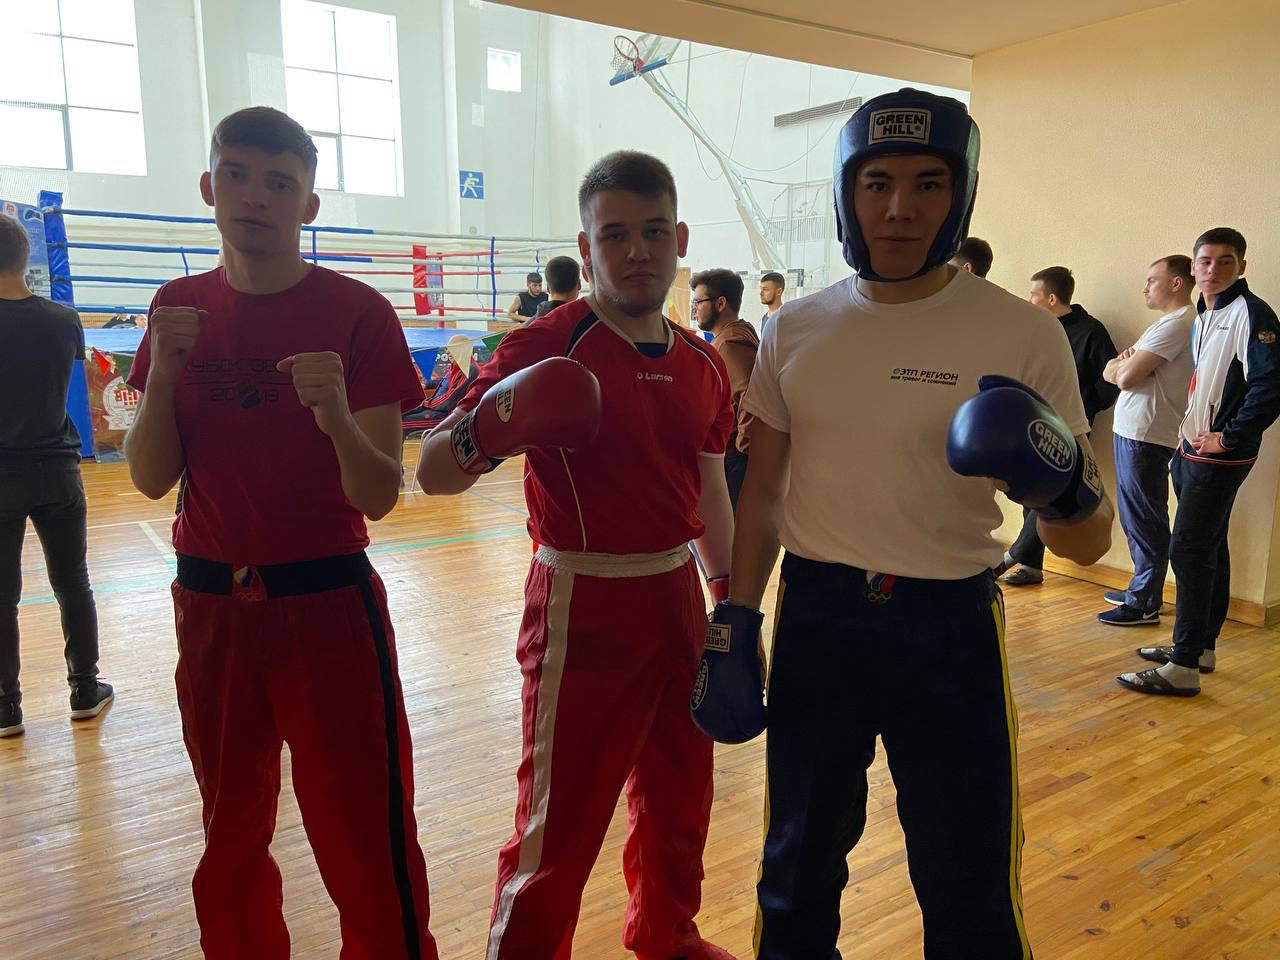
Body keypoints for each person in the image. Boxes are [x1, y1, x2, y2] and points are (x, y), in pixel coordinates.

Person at [706, 88, 1112, 959]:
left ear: (959, 196)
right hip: (820, 619)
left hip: (951, 625)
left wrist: (1060, 489)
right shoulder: (794, 328)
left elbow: (1089, 544)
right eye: (877, 183)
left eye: (929, 184)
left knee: (970, 881)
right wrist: (736, 616)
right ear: (847, 195)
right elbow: (764, 492)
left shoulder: (1021, 333)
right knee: (795, 868)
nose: (900, 208)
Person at [122, 107, 439, 959]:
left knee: (365, 838)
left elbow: (380, 495)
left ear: (309, 204)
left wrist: (337, 418)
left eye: (278, 182)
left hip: (327, 603)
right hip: (210, 604)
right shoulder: (177, 307)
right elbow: (149, 478)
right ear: (209, 186)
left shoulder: (357, 312)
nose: (255, 196)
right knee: (229, 832)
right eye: (236, 175)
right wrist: (163, 379)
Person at [417, 150, 738, 960]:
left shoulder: (703, 363)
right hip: (580, 600)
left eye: (653, 232)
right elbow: (432, 473)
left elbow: (708, 490)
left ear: (680, 241)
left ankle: (667, 936)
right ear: (586, 247)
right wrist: (489, 426)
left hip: (677, 595)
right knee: (557, 824)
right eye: (614, 234)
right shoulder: (546, 343)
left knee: (681, 794)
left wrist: (731, 604)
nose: (637, 251)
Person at [1119, 228, 1280, 696]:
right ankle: (1201, 647)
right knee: (1209, 546)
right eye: (1206, 261)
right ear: (1193, 269)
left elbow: (1270, 386)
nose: (1214, 270)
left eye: (1226, 261)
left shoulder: (1251, 313)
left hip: (1220, 457)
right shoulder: (1206, 314)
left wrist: (1229, 437)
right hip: (1190, 450)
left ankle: (1183, 665)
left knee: (1188, 550)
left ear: (1241, 267)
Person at [0, 213, 113, 739]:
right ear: (26, 258)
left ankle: (6, 707)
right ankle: (84, 690)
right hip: (58, 468)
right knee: (73, 582)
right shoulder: (64, 320)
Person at [1001, 266, 1118, 585]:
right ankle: (1031, 564)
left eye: (1033, 295)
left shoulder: (1091, 332)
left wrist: (1084, 405)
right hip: (1032, 421)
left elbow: (1109, 381)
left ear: (1052, 299)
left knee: (1049, 494)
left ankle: (1014, 556)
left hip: (1069, 427)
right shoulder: (1036, 330)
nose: (1028, 300)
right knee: (1030, 493)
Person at [1096, 255, 1195, 626]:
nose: (1145, 287)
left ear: (1176, 283)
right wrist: (1119, 367)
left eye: (1153, 280)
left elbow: (1124, 377)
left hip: (1146, 434)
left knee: (1145, 517)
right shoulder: (1168, 323)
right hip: (1136, 432)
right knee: (1136, 516)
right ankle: (1142, 589)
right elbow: (1113, 367)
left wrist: (1120, 368)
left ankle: (1144, 602)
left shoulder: (1178, 324)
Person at [692, 268, 758, 511]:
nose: (694, 309)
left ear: (720, 303)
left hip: (733, 460)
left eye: (698, 302)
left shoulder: (731, 344)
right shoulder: (731, 337)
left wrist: (742, 452)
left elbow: (749, 398)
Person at [759, 271, 785, 335]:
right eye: (761, 289)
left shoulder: (784, 318)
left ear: (779, 292)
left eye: (766, 289)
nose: (761, 293)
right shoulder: (765, 317)